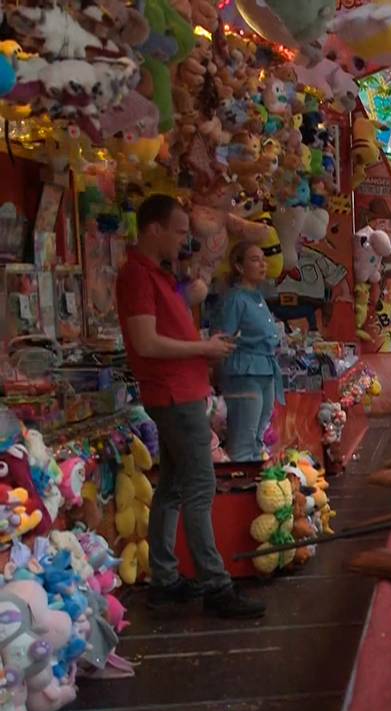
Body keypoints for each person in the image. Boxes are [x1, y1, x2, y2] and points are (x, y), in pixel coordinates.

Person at [116, 194, 264, 619]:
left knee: (174, 487)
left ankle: (165, 578)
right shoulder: (137, 277)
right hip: (173, 394)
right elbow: (146, 342)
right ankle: (216, 586)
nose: (185, 238)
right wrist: (202, 347)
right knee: (200, 489)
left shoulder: (158, 275)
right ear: (154, 229)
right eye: (179, 230)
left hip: (181, 390)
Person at [212, 241, 283, 463]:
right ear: (239, 267)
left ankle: (259, 485)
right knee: (244, 438)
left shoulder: (257, 296)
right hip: (244, 372)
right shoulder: (235, 299)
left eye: (263, 259)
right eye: (254, 260)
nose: (262, 264)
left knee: (258, 437)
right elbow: (223, 338)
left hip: (266, 371)